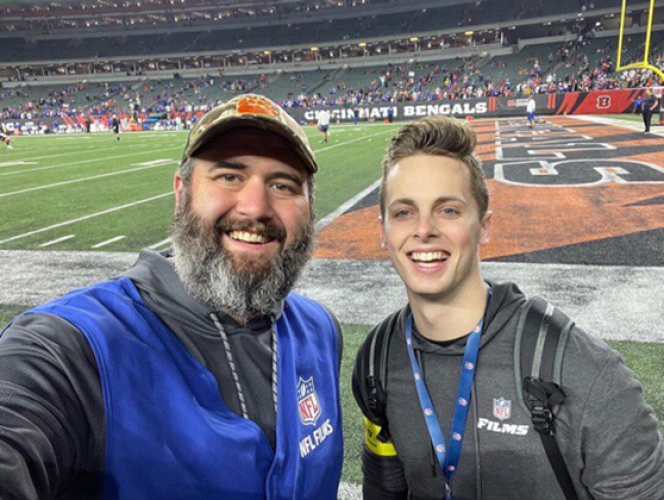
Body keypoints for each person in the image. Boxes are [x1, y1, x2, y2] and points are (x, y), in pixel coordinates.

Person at [0, 94, 344, 499]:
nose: (255, 207)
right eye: (229, 176)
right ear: (181, 191)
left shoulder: (319, 330)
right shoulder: (75, 348)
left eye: (283, 184)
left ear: (309, 209)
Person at [352, 115, 663, 500]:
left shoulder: (585, 373)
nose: (424, 229)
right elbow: (385, 488)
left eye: (448, 210)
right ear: (382, 230)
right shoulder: (376, 361)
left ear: (484, 226)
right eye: (404, 212)